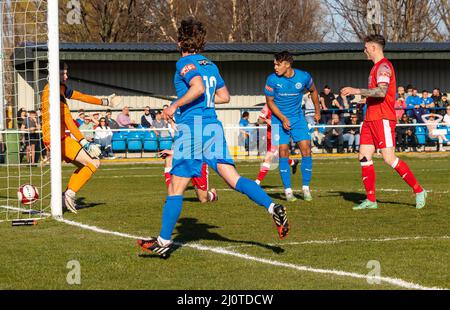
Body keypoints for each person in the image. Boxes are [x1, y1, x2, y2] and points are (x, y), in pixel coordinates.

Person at [137, 18, 289, 258]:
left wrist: (174, 106)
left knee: (176, 187)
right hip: (212, 127)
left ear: (180, 42)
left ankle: (164, 241)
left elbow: (197, 88)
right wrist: (200, 100)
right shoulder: (210, 65)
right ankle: (272, 207)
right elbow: (224, 96)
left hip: (194, 128)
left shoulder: (184, 63)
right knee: (234, 179)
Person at [342, 34, 426, 210]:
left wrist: (356, 90)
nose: (364, 51)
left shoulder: (384, 67)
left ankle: (419, 190)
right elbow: (379, 94)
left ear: (373, 48)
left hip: (382, 118)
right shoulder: (374, 69)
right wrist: (364, 100)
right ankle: (371, 200)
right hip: (370, 118)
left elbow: (381, 92)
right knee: (364, 157)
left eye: (365, 48)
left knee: (389, 158)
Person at [41, 62, 121, 213]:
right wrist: (84, 141)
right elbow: (67, 119)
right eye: (64, 73)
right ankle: (69, 195)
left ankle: (65, 197)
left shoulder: (58, 89)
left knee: (83, 166)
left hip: (54, 138)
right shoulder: (53, 92)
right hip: (58, 139)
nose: (66, 75)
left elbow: (80, 96)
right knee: (93, 163)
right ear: (55, 74)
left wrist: (104, 102)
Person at [265, 51, 321, 202]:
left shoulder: (304, 77)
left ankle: (305, 188)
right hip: (278, 119)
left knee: (306, 149)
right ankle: (288, 191)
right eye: (274, 64)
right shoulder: (271, 79)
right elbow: (270, 102)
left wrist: (317, 110)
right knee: (283, 151)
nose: (275, 67)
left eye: (277, 64)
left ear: (287, 64)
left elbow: (314, 91)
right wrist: (282, 118)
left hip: (297, 119)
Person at [255, 103, 299, 186]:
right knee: (278, 156)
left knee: (268, 158)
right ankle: (293, 162)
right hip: (269, 136)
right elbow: (259, 121)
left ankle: (257, 182)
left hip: (278, 135)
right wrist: (265, 120)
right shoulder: (267, 106)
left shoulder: (284, 105)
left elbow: (290, 121)